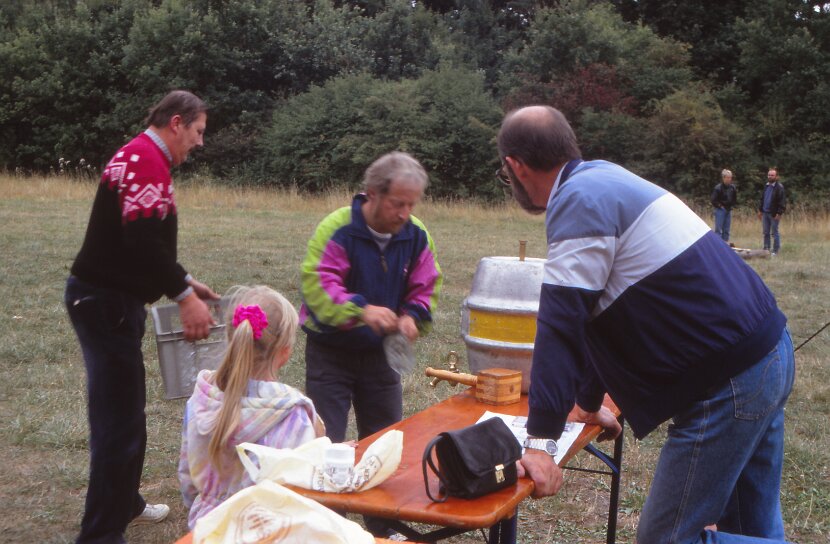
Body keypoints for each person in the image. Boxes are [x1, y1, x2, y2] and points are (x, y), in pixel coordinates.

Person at [496, 106, 794, 544]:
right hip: (767, 352)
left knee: (668, 539)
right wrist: (587, 400)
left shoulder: (576, 201)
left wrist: (540, 443)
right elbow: (601, 312)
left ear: (515, 166)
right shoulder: (604, 179)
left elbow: (560, 327)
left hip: (728, 382)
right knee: (749, 527)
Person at [65, 90, 220, 544]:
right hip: (104, 303)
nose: (200, 142)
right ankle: (100, 534)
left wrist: (185, 281)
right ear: (177, 122)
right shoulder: (144, 160)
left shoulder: (140, 156)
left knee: (127, 413)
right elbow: (141, 244)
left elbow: (136, 241)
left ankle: (125, 503)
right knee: (119, 424)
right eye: (198, 132)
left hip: (108, 300)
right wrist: (182, 296)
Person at [299, 151, 442, 539]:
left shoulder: (416, 234)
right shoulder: (339, 228)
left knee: (384, 441)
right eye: (398, 203)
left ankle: (382, 524)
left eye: (411, 204)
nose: (404, 213)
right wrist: (360, 311)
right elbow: (317, 285)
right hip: (331, 353)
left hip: (381, 358)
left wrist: (413, 314)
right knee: (326, 442)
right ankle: (325, 526)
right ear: (372, 195)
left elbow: (427, 285)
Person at [178, 285, 326, 529]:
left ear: (231, 337)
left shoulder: (201, 399)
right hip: (273, 531)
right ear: (285, 353)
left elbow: (187, 478)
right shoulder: (293, 414)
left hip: (208, 528)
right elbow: (306, 489)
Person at [758, 167, 786, 255]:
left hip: (774, 214)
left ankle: (776, 250)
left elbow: (782, 201)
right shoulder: (766, 186)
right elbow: (762, 199)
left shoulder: (779, 187)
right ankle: (766, 249)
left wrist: (779, 213)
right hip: (765, 213)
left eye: (772, 175)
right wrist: (760, 210)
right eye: (769, 175)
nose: (770, 176)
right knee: (766, 232)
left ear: (776, 176)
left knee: (774, 233)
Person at [711, 168, 737, 242]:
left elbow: (734, 198)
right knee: (718, 230)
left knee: (727, 230)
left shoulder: (733, 187)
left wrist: (732, 206)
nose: (729, 179)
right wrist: (720, 206)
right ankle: (718, 245)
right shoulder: (718, 188)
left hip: (729, 210)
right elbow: (713, 200)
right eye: (727, 177)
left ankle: (725, 246)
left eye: (730, 177)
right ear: (723, 178)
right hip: (720, 210)